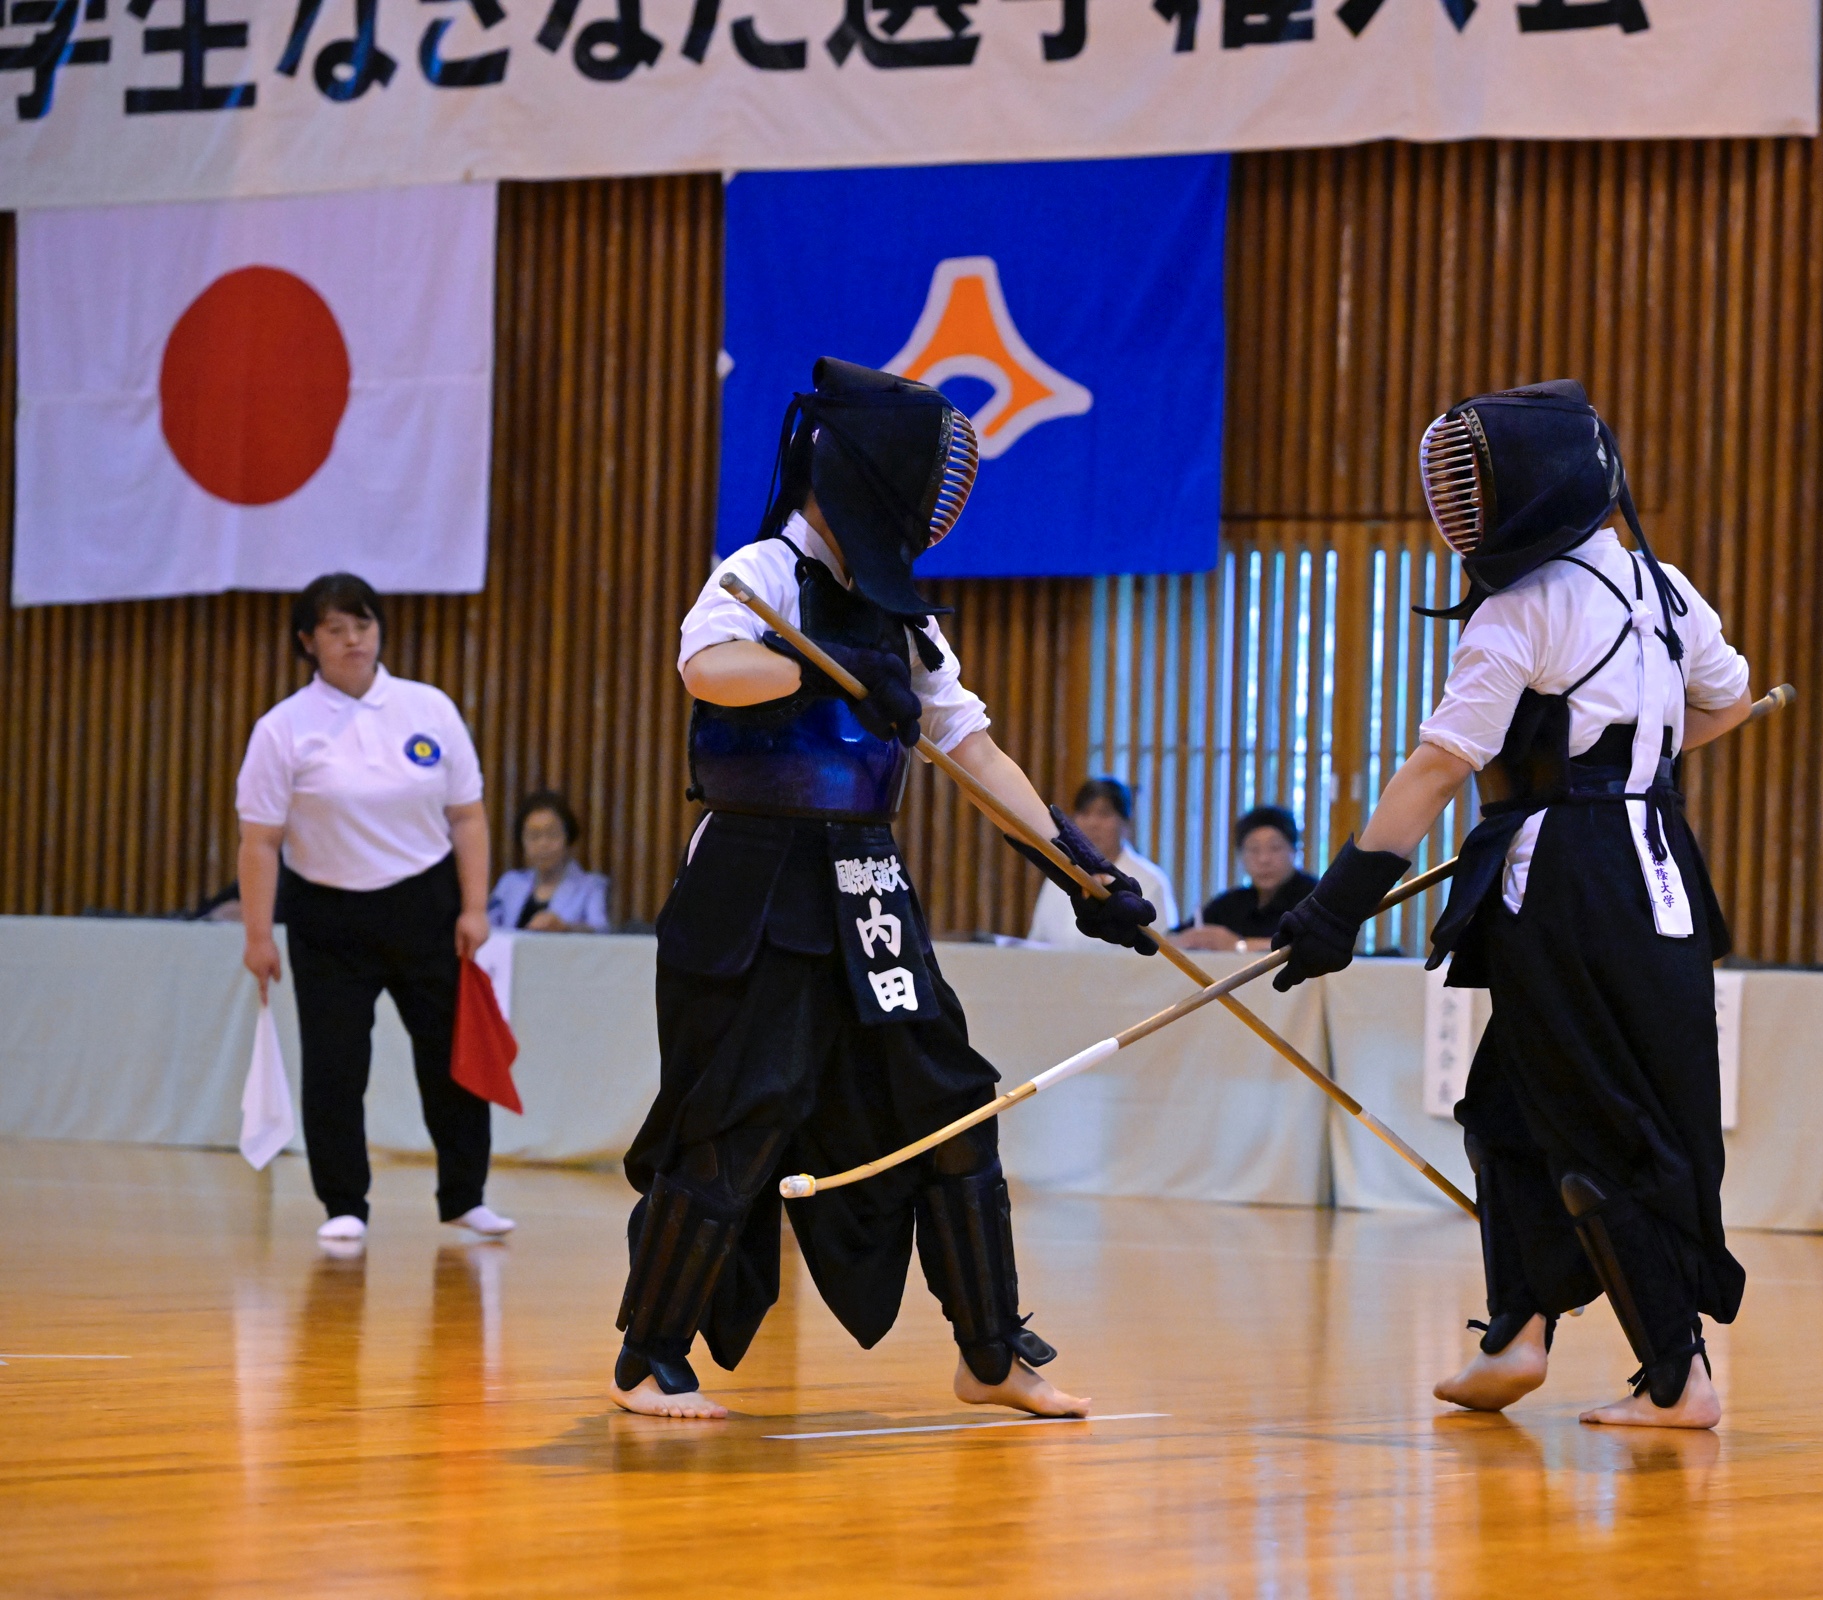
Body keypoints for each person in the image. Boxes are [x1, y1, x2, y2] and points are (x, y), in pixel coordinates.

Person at [610, 359, 1157, 1421]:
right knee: (741, 1109)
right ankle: (649, 1356)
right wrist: (824, 668)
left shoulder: (904, 616)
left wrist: (1083, 869)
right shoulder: (762, 570)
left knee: (954, 1101)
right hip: (756, 881)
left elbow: (974, 751)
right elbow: (706, 668)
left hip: (865, 884)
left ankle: (990, 1352)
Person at [1269, 382, 1753, 1430]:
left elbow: (1440, 765)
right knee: (1511, 1104)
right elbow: (1729, 702)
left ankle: (1678, 1376)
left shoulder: (1521, 607)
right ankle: (1520, 1330)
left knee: (1597, 1121)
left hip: (1569, 879)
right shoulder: (1669, 590)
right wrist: (1630, 766)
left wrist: (1338, 903)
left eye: (1475, 484)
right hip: (1660, 868)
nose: (1462, 506)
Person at [235, 573, 516, 1246]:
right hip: (326, 918)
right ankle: (343, 1204)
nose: (353, 640)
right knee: (335, 1065)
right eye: (335, 629)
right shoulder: (282, 729)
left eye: (362, 624)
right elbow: (260, 840)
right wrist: (257, 935)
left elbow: (468, 816)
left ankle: (465, 1197)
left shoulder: (428, 708)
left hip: (426, 906)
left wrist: (474, 908)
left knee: (450, 1058)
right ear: (308, 642)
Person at [1025, 777, 1180, 950]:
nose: (1093, 823)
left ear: (1126, 821)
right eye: (1084, 813)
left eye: (1104, 814)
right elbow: (1036, 941)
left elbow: (1158, 949)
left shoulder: (1151, 880)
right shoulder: (1059, 873)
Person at [1174, 806, 1316, 953]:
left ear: (1294, 850)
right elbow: (1172, 938)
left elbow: (1313, 945)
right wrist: (1191, 939)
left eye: (1275, 848)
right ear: (1241, 856)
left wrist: (1238, 945)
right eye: (1254, 849)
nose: (1264, 859)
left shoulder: (1316, 897)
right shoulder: (1233, 902)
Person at [489, 791, 613, 933]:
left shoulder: (591, 886)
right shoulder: (510, 883)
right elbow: (488, 927)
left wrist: (566, 928)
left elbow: (602, 932)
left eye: (552, 834)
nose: (543, 844)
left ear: (568, 838)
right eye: (534, 836)